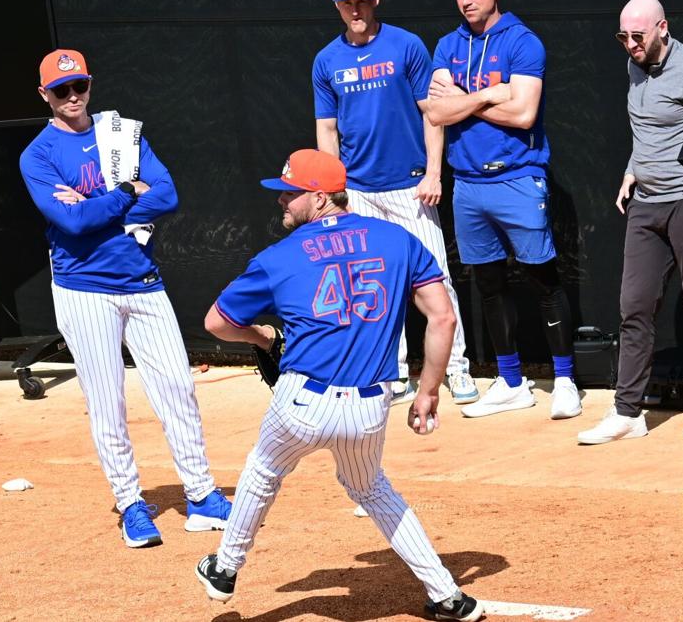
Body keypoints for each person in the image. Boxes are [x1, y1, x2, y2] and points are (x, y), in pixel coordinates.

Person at [193, 149, 483, 622]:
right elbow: (443, 315)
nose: (281, 200)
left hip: (303, 403)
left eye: (291, 193)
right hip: (370, 407)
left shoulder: (279, 257)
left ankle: (224, 569)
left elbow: (217, 323)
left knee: (264, 472)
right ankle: (449, 595)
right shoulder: (397, 240)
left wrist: (262, 335)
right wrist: (429, 389)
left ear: (322, 197)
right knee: (372, 489)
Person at [18, 49, 231, 546]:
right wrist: (126, 194)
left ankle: (200, 495)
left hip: (142, 280)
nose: (73, 97)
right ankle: (131, 503)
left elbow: (168, 195)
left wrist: (101, 203)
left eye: (80, 86)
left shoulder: (121, 133)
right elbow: (71, 222)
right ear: (44, 96)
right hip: (84, 289)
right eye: (61, 90)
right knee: (107, 401)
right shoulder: (38, 154)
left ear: (90, 85)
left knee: (177, 387)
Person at [578, 0, 683, 444]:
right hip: (646, 203)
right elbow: (647, 130)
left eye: (637, 36)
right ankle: (628, 412)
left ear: (662, 28)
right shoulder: (635, 64)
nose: (629, 45)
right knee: (635, 306)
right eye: (622, 37)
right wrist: (632, 169)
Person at [313, 0, 478, 406]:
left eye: (361, 1)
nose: (355, 10)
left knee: (435, 278)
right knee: (372, 284)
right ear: (336, 7)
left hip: (411, 186)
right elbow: (328, 131)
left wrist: (434, 173)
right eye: (346, 3)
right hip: (358, 192)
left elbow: (433, 112)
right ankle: (394, 372)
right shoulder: (326, 60)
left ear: (375, 1)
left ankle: (455, 369)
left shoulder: (406, 45)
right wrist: (335, 191)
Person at [425, 0, 581, 420]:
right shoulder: (448, 45)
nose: (465, 1)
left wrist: (464, 99)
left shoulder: (522, 41)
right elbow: (437, 112)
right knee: (489, 284)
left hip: (518, 177)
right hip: (468, 184)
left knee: (543, 279)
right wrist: (491, 94)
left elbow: (525, 113)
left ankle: (566, 381)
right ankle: (511, 382)